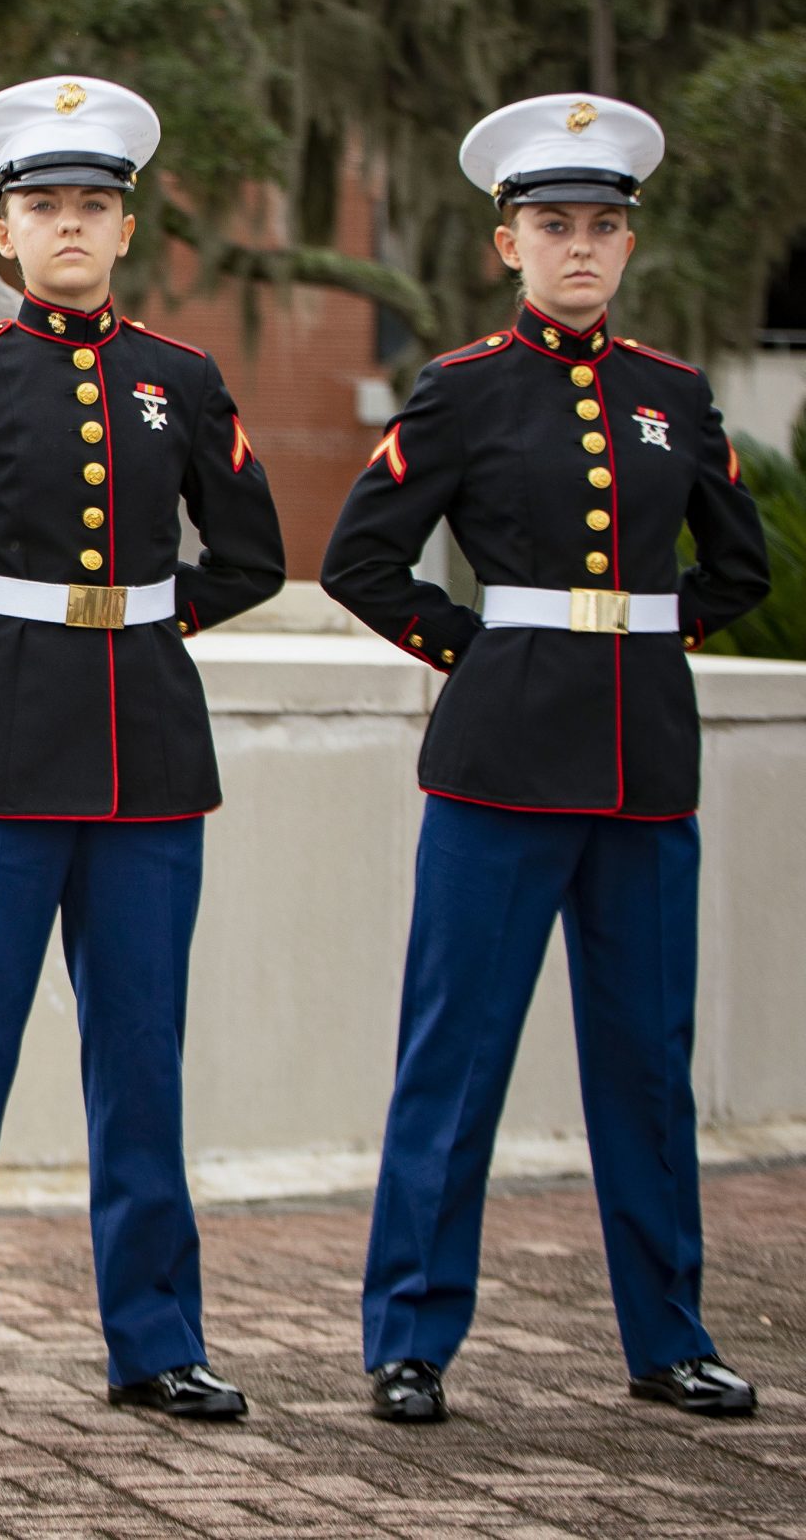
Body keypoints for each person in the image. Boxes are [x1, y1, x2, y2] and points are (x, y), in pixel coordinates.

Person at [0, 76, 285, 1424]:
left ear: (125, 229)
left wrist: (138, 622)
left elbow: (251, 553)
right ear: (3, 229)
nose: (69, 228)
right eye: (43, 208)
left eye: (93, 206)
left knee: (142, 1056)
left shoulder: (182, 383)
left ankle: (157, 1340)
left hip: (146, 759)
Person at [322, 93, 771, 1425]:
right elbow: (361, 557)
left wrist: (642, 633)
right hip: (498, 766)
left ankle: (669, 1334)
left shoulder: (676, 397)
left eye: (600, 228)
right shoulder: (461, 390)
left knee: (646, 1058)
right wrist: (479, 645)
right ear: (504, 244)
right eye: (551, 226)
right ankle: (410, 1337)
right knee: (455, 1054)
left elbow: (736, 565)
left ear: (627, 248)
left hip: (643, 766)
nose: (578, 248)